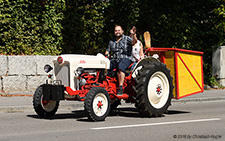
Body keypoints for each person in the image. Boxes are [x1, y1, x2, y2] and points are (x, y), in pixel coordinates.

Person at [105, 25, 137, 95]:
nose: (117, 32)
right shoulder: (112, 41)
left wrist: (133, 34)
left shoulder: (126, 38)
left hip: (126, 58)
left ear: (122, 31)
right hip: (114, 59)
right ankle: (105, 85)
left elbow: (134, 42)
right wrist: (106, 56)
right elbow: (107, 51)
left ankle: (120, 87)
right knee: (106, 67)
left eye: (119, 30)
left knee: (121, 66)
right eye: (116, 31)